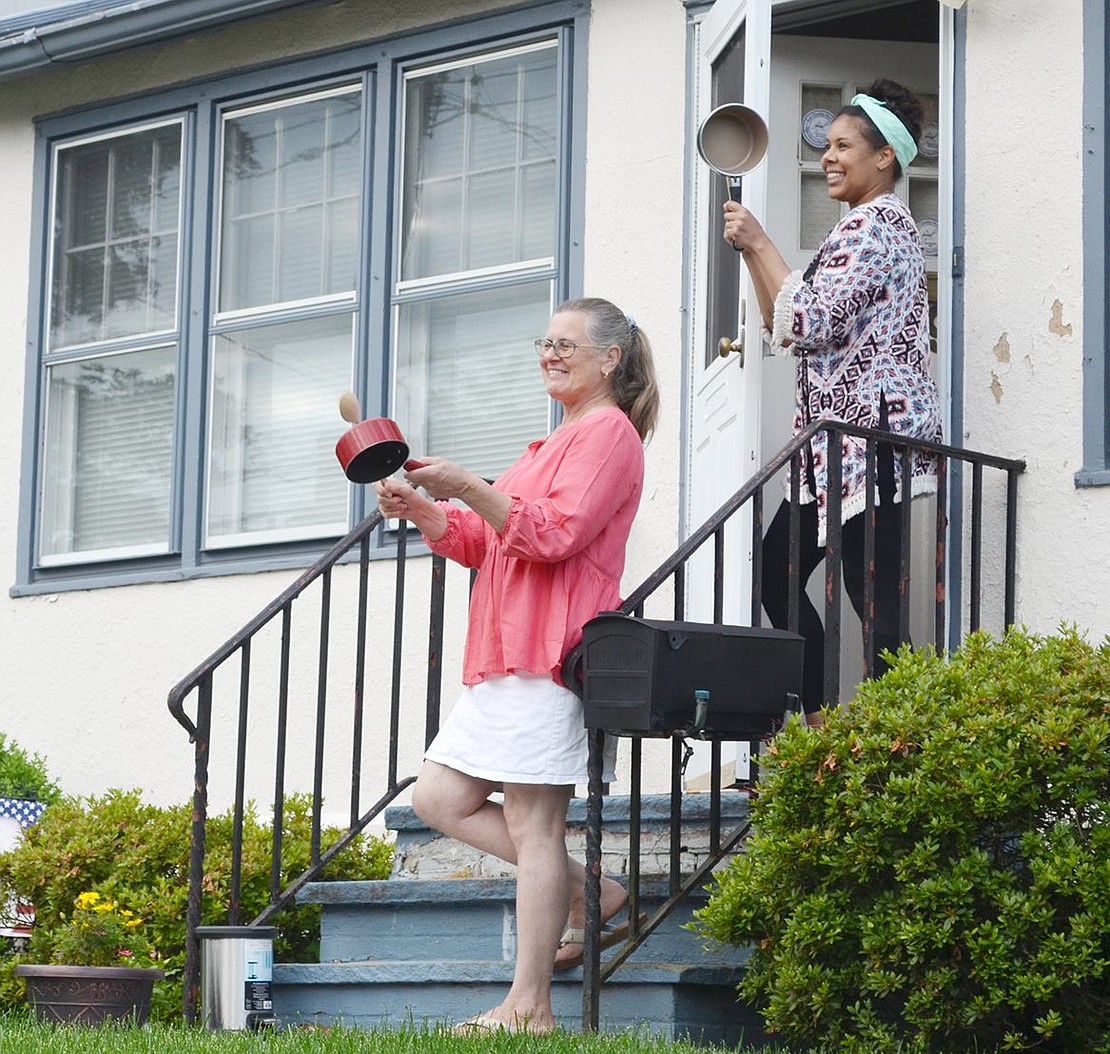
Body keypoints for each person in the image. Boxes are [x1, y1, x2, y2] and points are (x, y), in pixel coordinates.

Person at [374, 297, 660, 1033]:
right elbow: (489, 539)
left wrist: (470, 486)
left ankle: (529, 1006)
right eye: (546, 343)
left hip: (555, 652)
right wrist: (426, 510)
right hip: (506, 654)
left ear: (610, 359)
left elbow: (556, 533)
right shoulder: (545, 446)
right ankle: (593, 894)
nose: (551, 354)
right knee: (439, 799)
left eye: (567, 344)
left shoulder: (608, 434)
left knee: (537, 827)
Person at [721, 79, 942, 721]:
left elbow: (809, 319)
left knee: (873, 600)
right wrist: (751, 255)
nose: (828, 156)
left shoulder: (877, 225)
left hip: (872, 443)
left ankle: (887, 742)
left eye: (844, 145)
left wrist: (762, 243)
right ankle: (821, 723)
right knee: (782, 577)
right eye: (827, 145)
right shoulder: (852, 230)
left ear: (885, 159)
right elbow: (786, 325)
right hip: (829, 450)